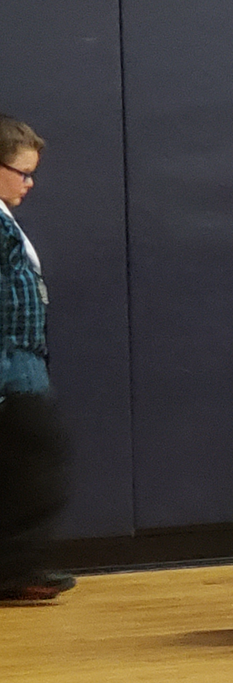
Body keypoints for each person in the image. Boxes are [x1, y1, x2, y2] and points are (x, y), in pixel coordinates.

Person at [0, 114, 75, 601]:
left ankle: (15, 567)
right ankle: (17, 568)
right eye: (21, 173)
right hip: (11, 362)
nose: (29, 184)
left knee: (22, 463)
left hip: (22, 356)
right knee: (42, 453)